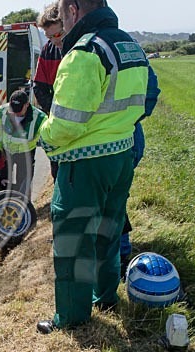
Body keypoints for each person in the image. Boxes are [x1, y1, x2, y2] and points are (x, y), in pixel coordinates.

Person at [37, 0, 149, 333]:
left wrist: (43, 136)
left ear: (72, 10)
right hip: (121, 155)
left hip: (83, 163)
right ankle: (106, 296)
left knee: (74, 241)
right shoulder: (129, 45)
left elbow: (67, 125)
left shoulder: (84, 53)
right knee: (108, 230)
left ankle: (72, 316)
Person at [120, 63, 161, 274]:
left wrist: (127, 120)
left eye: (59, 35)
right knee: (115, 199)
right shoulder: (129, 50)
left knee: (114, 200)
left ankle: (120, 255)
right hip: (128, 136)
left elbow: (151, 91)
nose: (56, 41)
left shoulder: (92, 51)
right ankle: (120, 253)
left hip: (122, 142)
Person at [0, 90, 46, 199]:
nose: (15, 113)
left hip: (26, 154)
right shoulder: (2, 111)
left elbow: (46, 138)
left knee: (23, 185)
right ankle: (5, 207)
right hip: (6, 152)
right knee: (4, 183)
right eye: (13, 110)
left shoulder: (40, 118)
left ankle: (23, 208)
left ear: (27, 105)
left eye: (18, 110)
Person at [33, 4, 64, 181]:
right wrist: (54, 110)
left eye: (58, 34)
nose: (54, 41)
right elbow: (39, 86)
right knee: (57, 169)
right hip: (58, 117)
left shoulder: (83, 46)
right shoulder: (48, 51)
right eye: (49, 37)